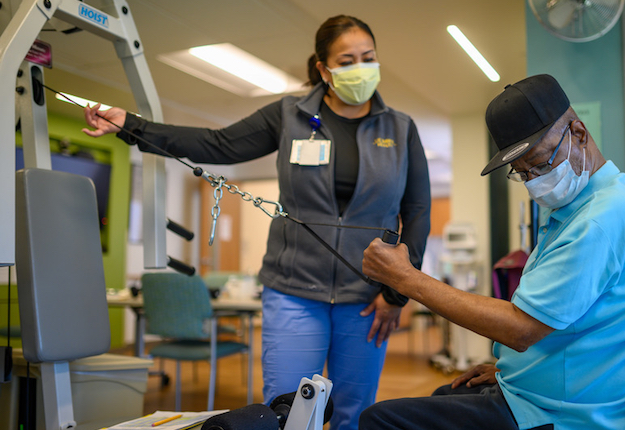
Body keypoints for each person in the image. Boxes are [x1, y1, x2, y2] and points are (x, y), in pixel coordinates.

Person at [82, 15, 431, 430]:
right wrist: (131, 125)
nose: (360, 68)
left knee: (353, 416)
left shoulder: (401, 128)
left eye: (368, 58)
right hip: (293, 293)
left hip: (365, 298)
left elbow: (417, 212)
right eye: (347, 59)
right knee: (288, 415)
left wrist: (397, 293)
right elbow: (217, 143)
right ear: (323, 69)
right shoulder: (290, 115)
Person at [359, 74, 625, 430]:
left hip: (566, 415)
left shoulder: (599, 222)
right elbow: (572, 320)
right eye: (522, 173)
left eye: (540, 164)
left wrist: (405, 278)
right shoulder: (586, 208)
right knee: (444, 396)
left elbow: (520, 329)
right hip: (551, 392)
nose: (535, 182)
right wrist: (510, 370)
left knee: (380, 420)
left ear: (579, 135)